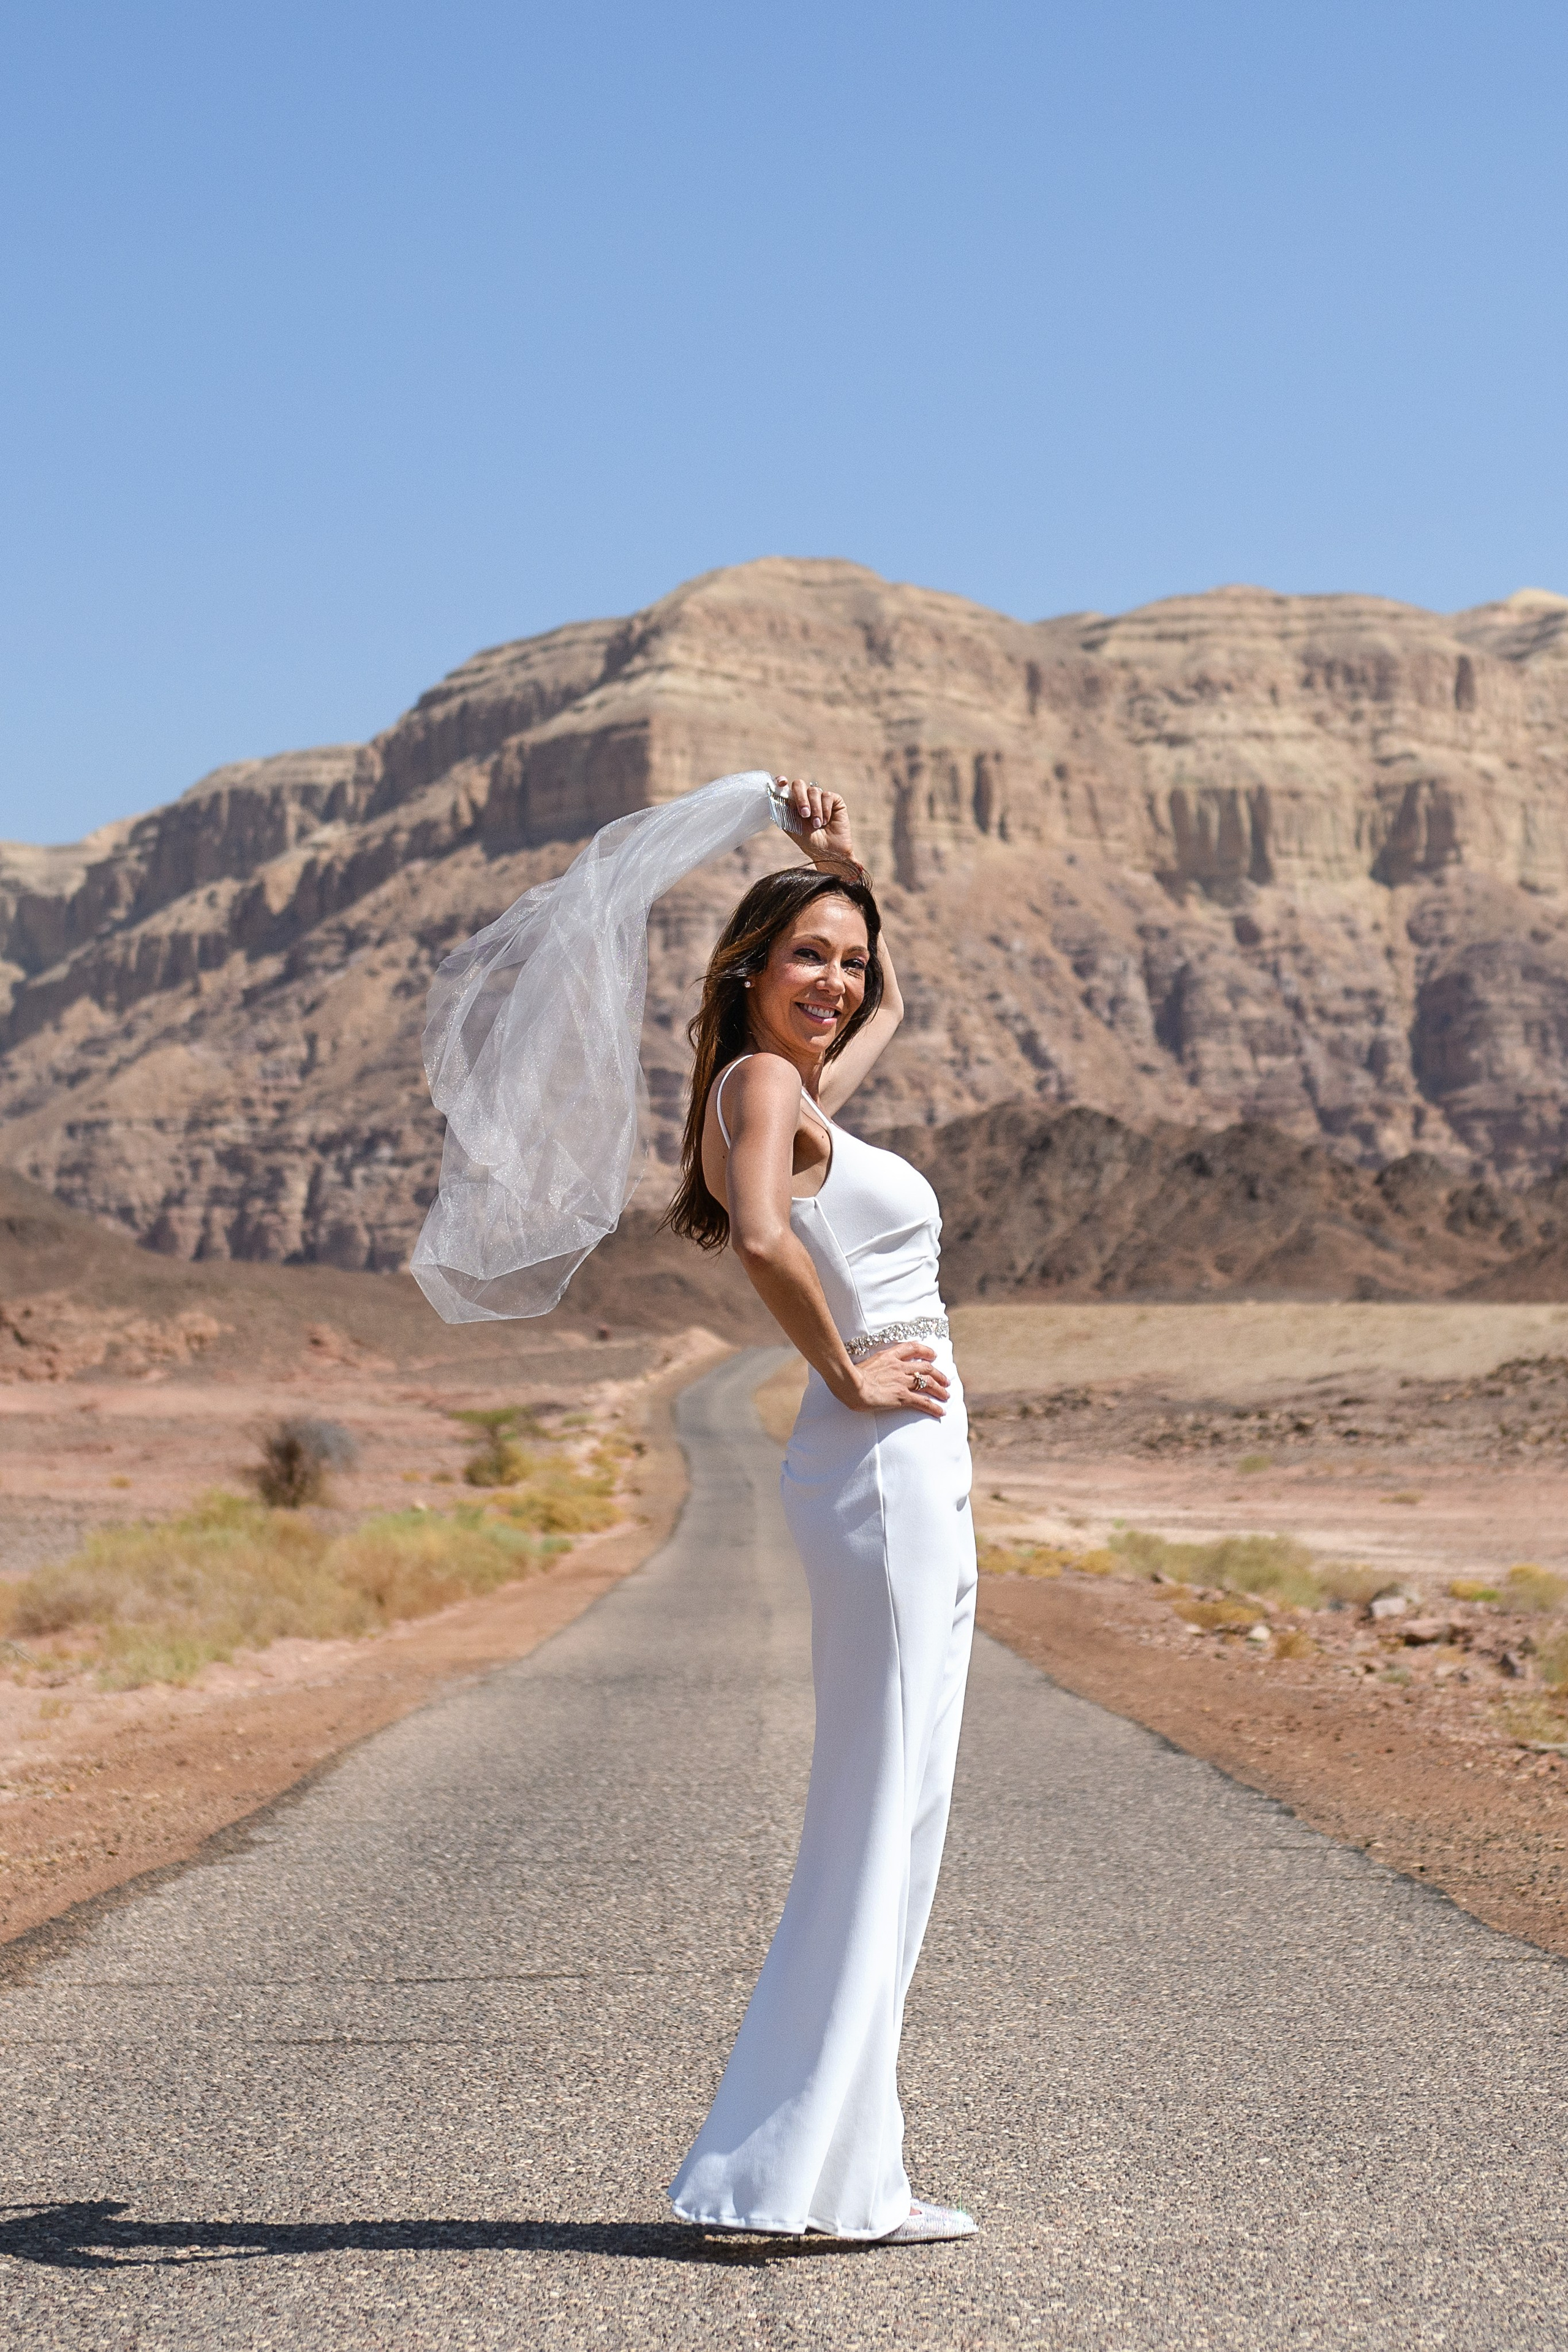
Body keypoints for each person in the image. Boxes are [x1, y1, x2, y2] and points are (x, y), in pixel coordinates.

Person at [662, 777, 978, 2245]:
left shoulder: (797, 1087)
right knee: (879, 1810)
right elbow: (763, 1240)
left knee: (902, 1806)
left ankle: (845, 2167)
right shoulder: (758, 1091)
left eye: (845, 961)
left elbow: (900, 1010)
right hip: (878, 1458)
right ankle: (809, 2173)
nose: (840, 985)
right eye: (810, 957)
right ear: (747, 969)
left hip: (911, 1464)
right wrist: (844, 1369)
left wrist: (844, 873)